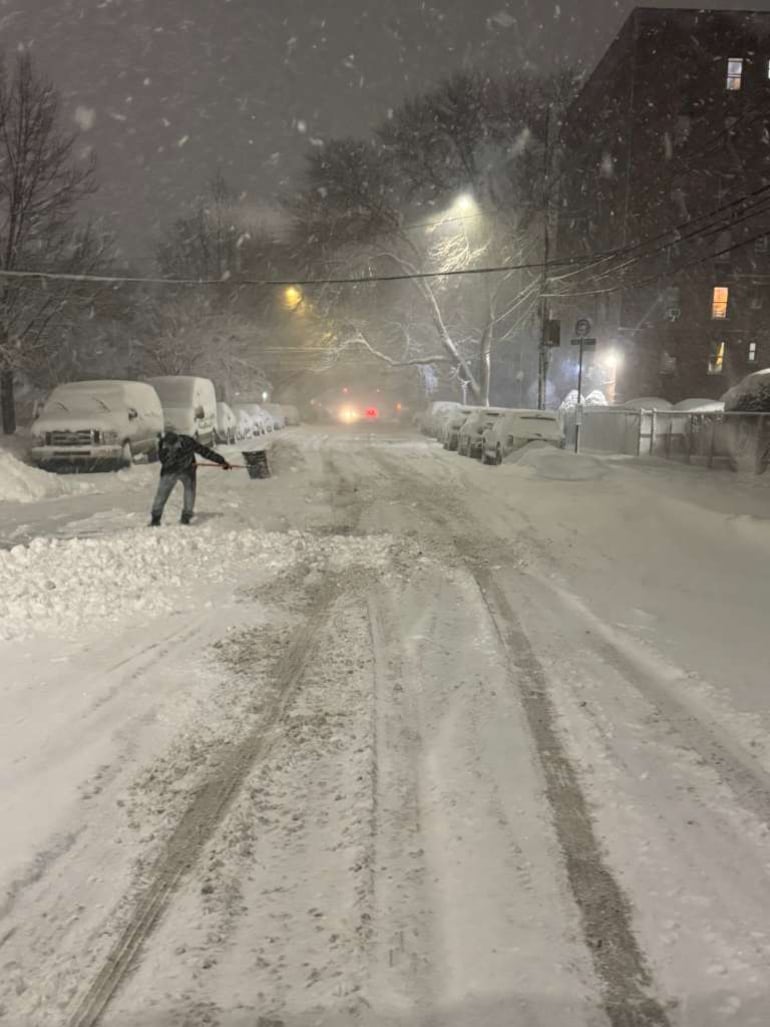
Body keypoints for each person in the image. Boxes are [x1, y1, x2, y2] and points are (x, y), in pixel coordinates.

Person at [150, 430, 232, 526]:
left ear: (178, 440)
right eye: (168, 446)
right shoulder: (162, 445)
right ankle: (155, 518)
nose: (171, 447)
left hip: (188, 471)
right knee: (162, 494)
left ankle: (186, 517)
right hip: (170, 471)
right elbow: (165, 461)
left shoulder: (187, 441)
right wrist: (178, 459)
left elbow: (204, 451)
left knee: (190, 492)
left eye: (174, 445)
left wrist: (221, 461)